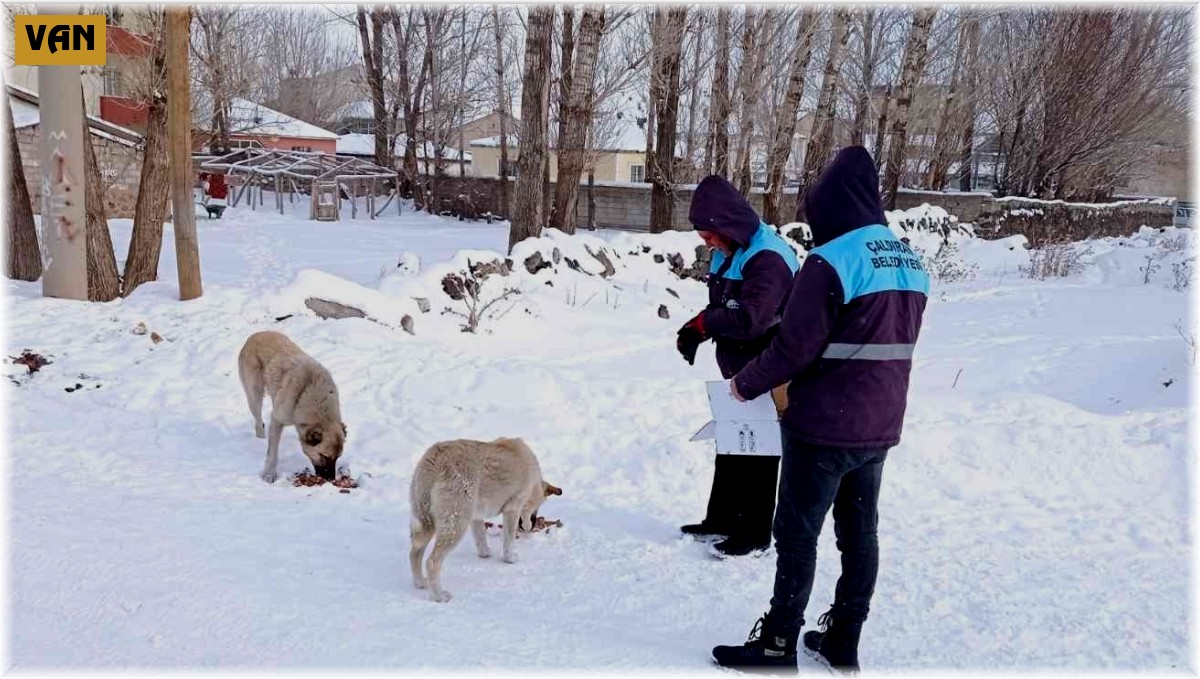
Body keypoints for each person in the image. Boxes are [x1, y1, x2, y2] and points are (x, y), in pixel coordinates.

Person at [710, 146, 930, 672]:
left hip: (823, 426)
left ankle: (777, 643)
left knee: (796, 534)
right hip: (880, 424)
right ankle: (843, 640)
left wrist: (745, 384)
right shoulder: (910, 261)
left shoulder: (831, 260)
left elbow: (793, 347)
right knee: (860, 534)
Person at [676, 174, 799, 558]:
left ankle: (755, 532)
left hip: (771, 367)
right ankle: (723, 519)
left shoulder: (768, 258)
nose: (707, 243)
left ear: (728, 225)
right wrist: (697, 328)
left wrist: (705, 323)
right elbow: (723, 306)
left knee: (759, 446)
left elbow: (751, 320)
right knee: (733, 439)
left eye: (710, 235)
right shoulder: (728, 250)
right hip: (739, 365)